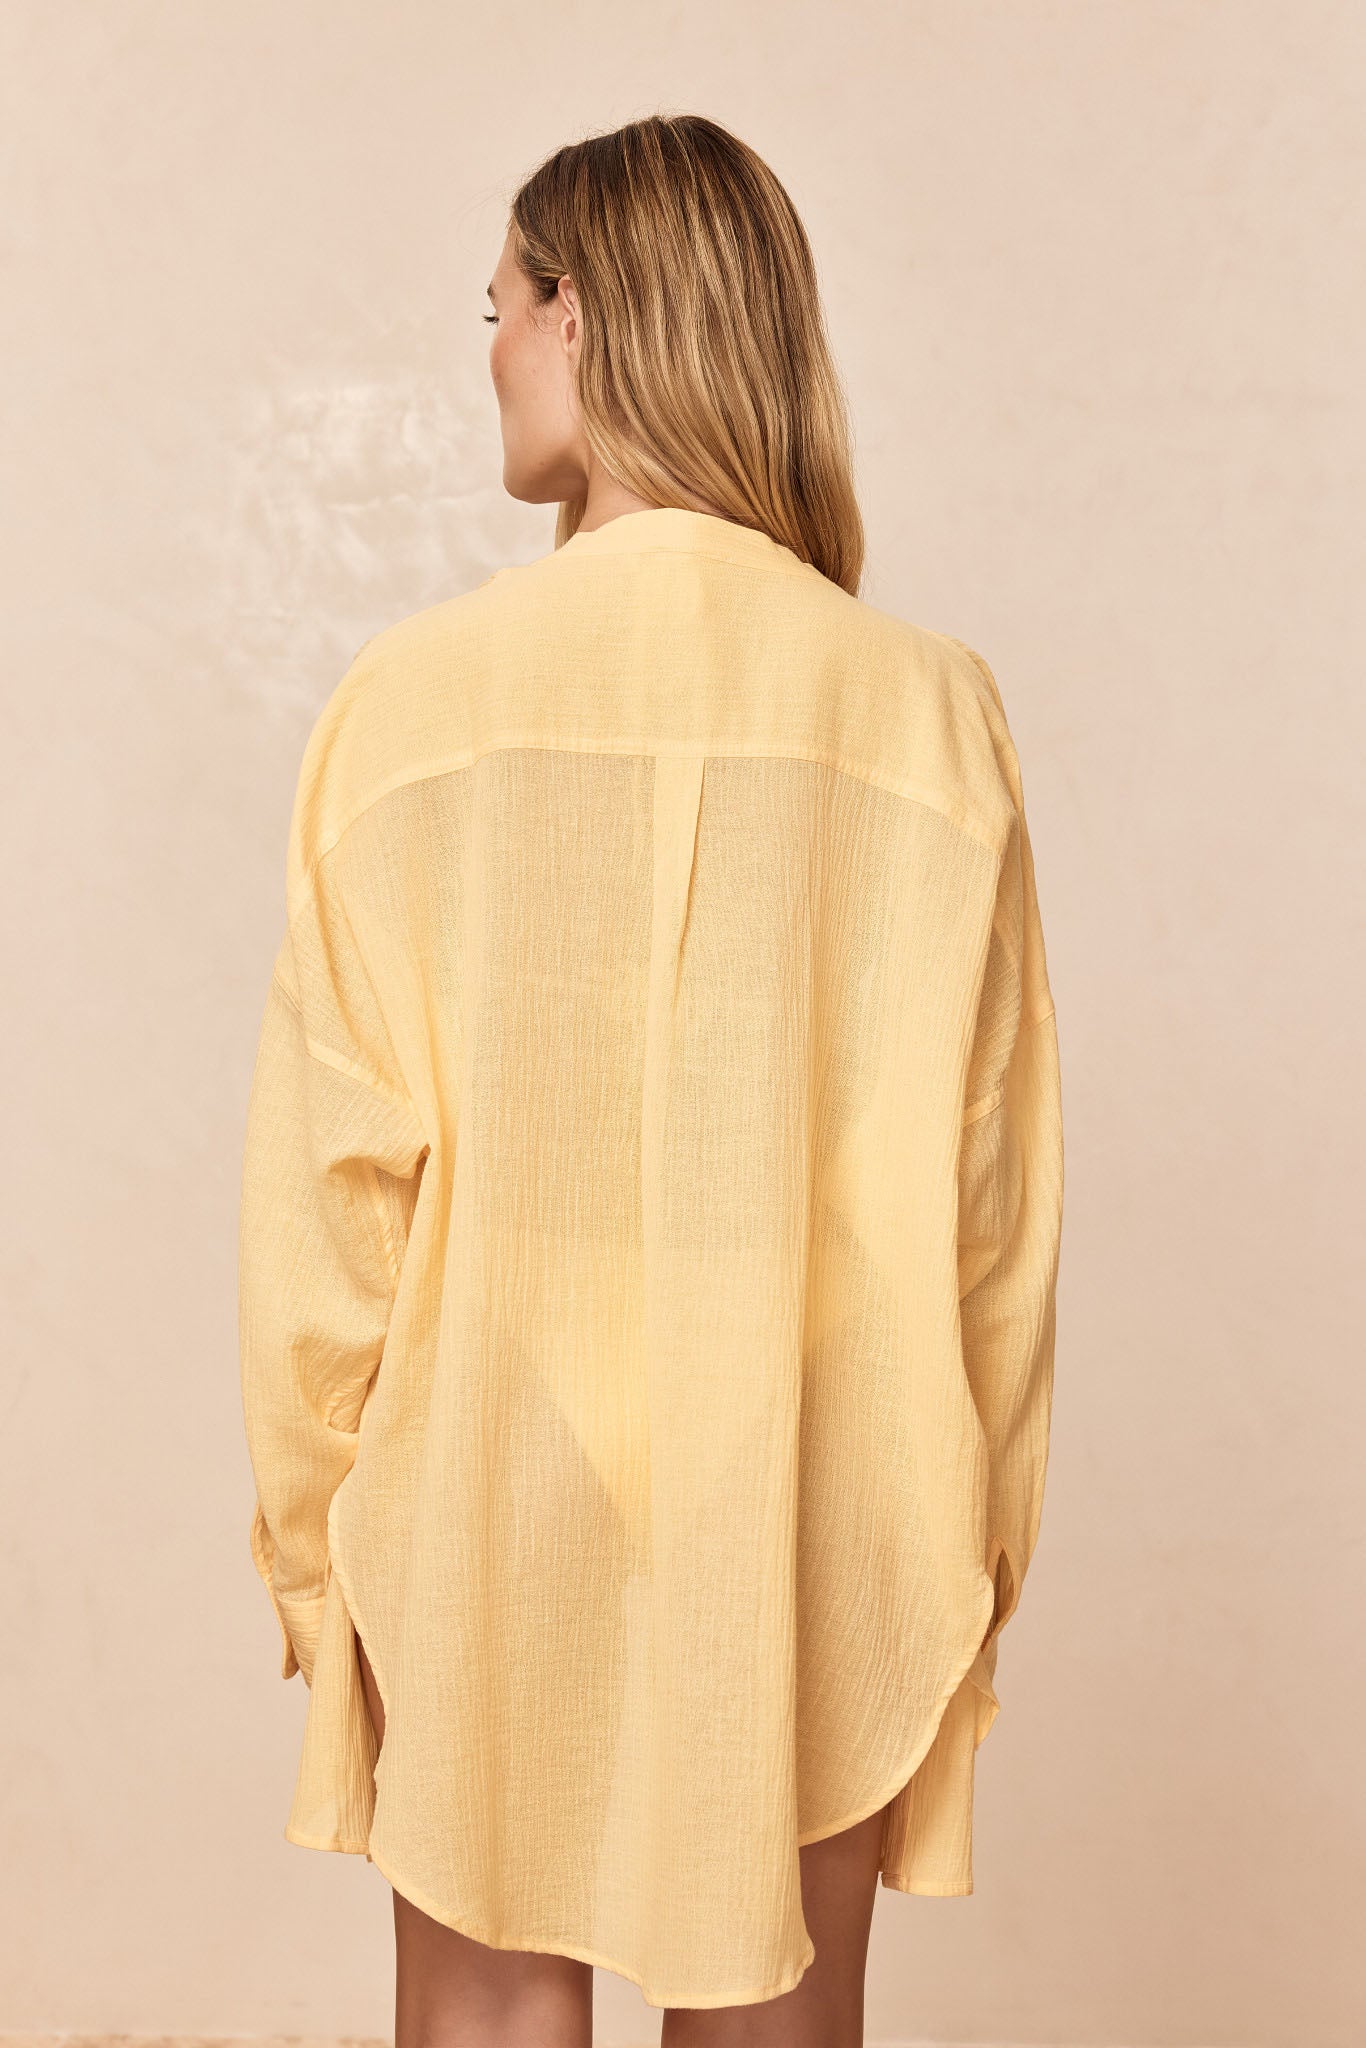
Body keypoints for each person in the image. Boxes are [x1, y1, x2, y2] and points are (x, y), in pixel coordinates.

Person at [238, 112, 1064, 2048]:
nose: (488, 357)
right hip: (820, 1471)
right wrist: (967, 1545)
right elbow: (992, 1210)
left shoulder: (413, 697)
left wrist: (315, 1553)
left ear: (579, 313)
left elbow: (330, 1190)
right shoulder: (924, 711)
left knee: (484, 2014)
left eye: (498, 311)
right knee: (778, 2015)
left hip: (488, 1457)